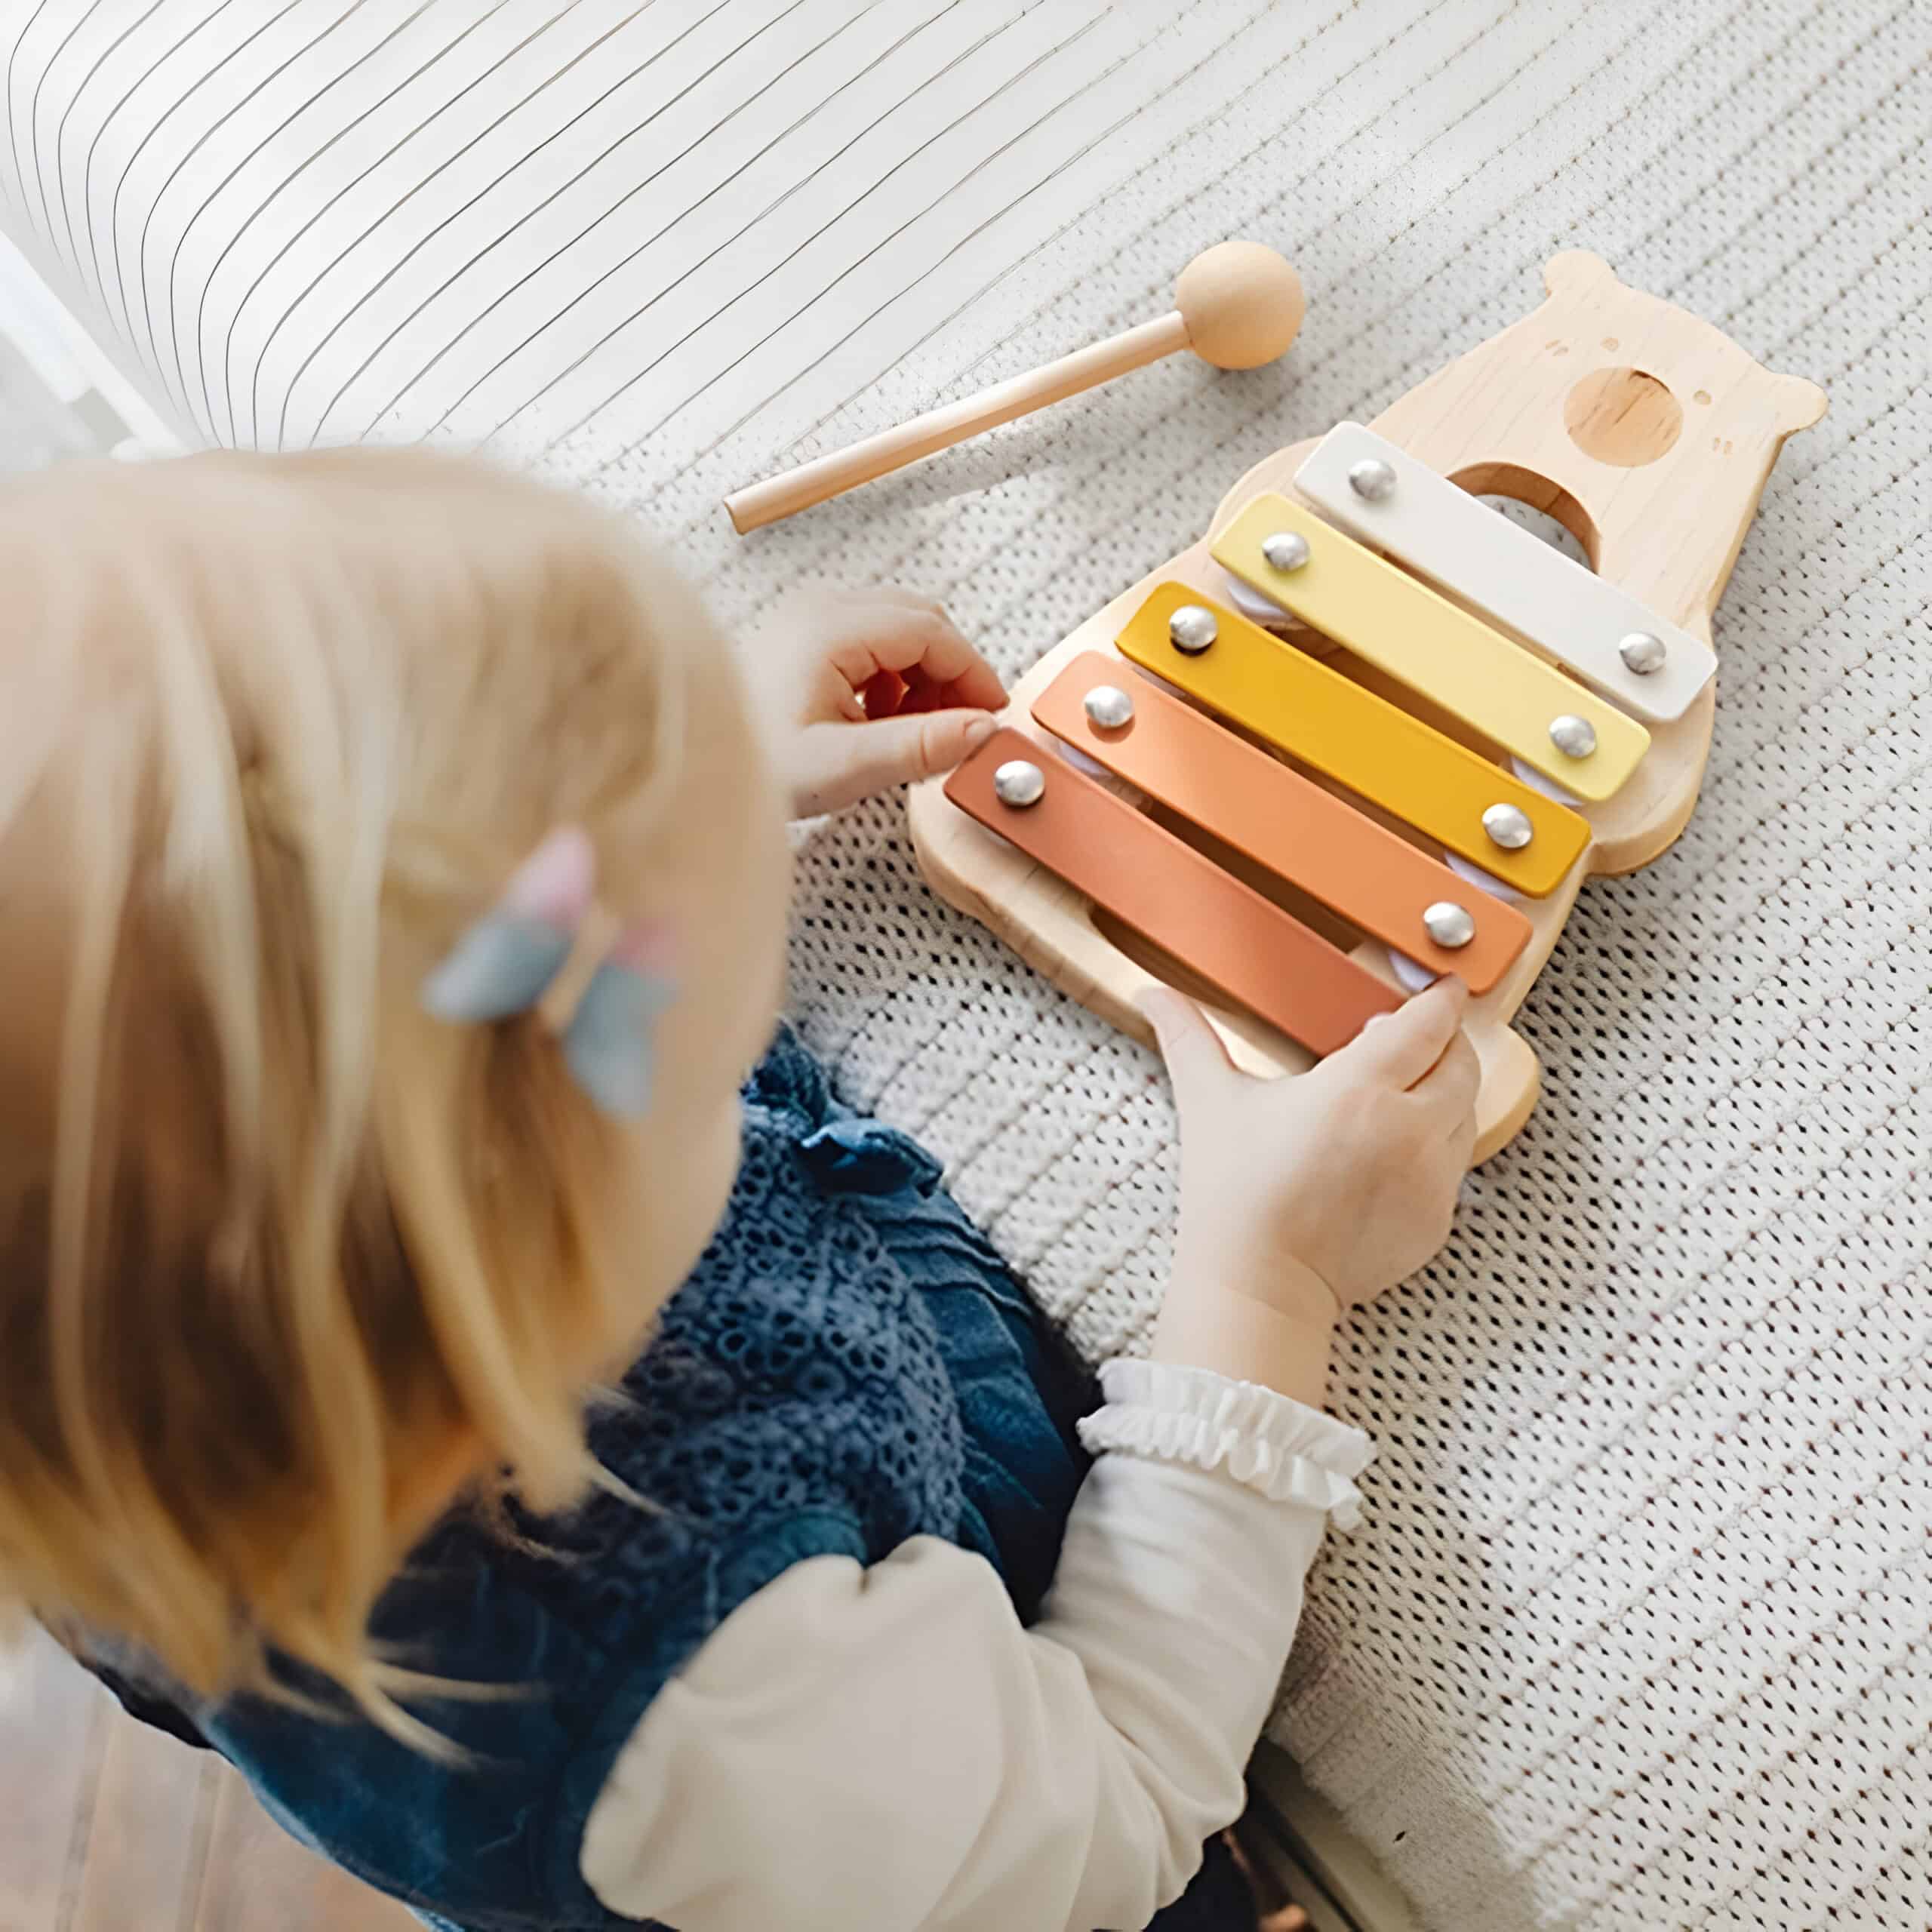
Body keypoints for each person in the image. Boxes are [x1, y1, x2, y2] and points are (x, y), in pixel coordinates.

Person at [0, 448, 1477, 1932]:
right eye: (607, 927)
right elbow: (1117, 1792)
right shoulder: (693, 1693)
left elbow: (381, 986)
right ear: (535, 1229)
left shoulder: (149, 1356)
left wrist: (695, 790)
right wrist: (1263, 1277)